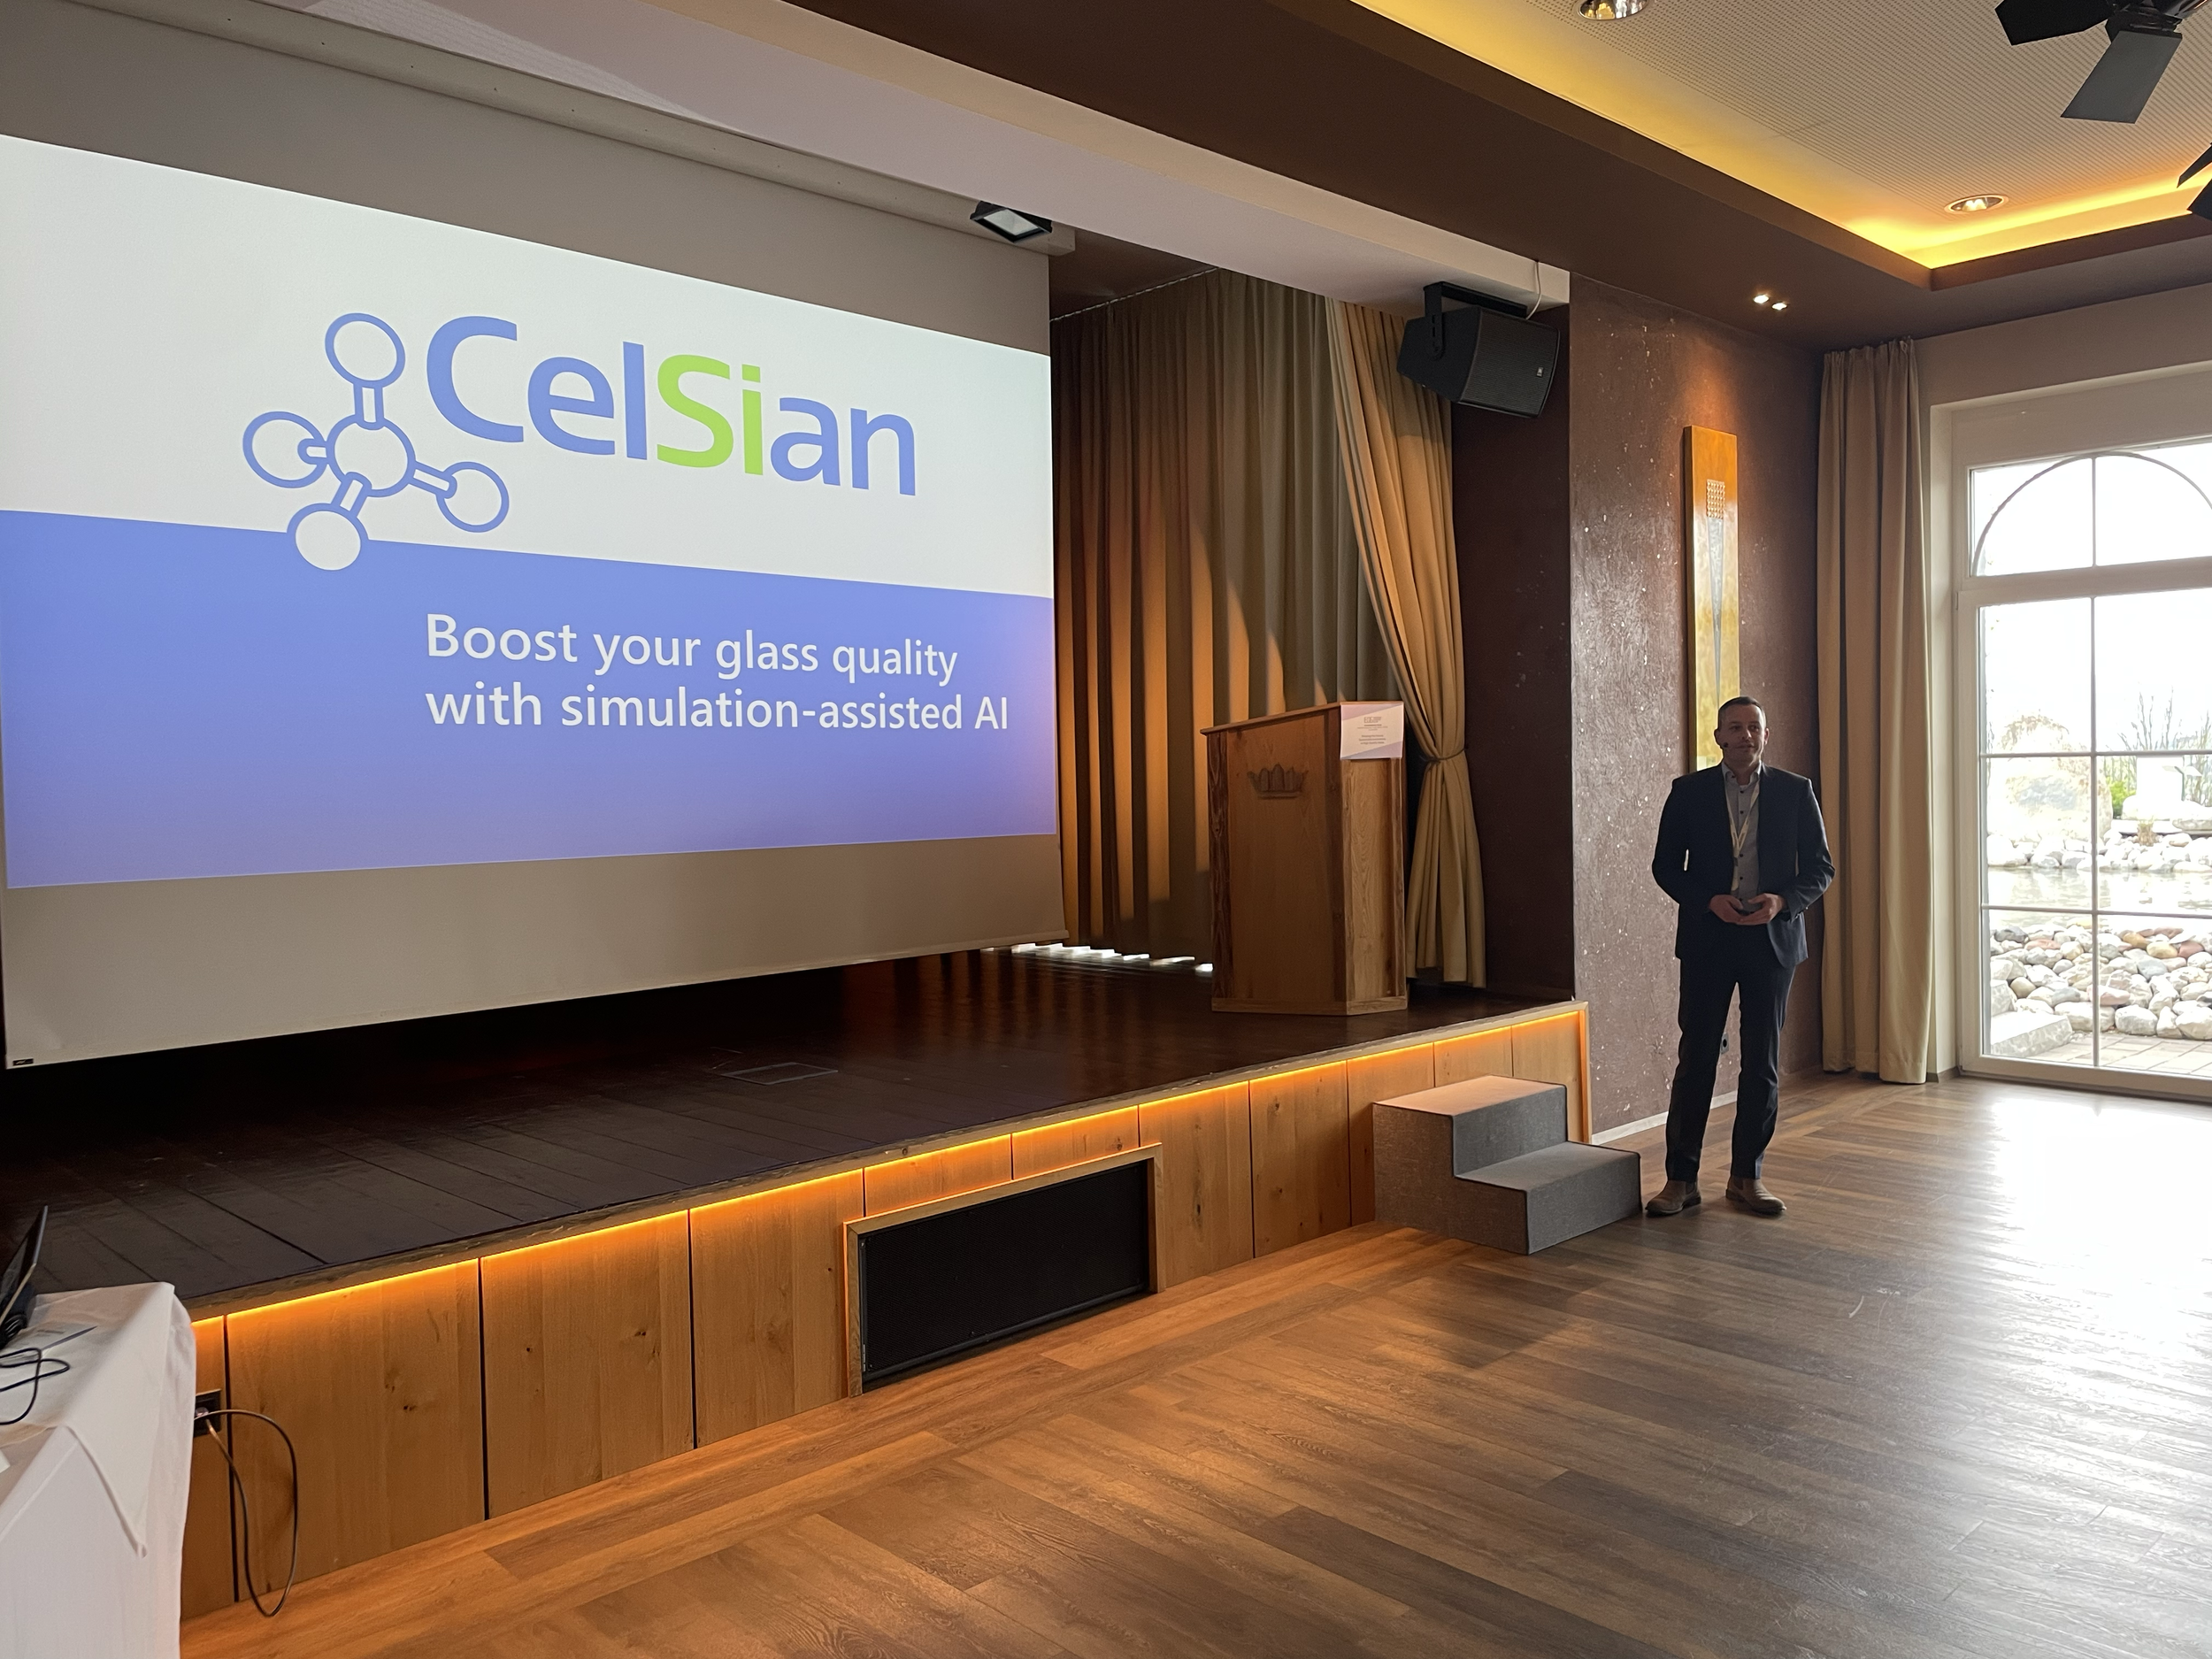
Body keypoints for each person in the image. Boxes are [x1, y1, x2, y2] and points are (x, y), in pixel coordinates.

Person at [1646, 695, 1832, 1218]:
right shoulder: (1688, 793)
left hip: (1771, 942)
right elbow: (1664, 867)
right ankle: (1680, 1180)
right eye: (1736, 727)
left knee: (1762, 1064)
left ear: (1765, 736)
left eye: (1755, 727)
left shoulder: (1797, 793)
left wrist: (1782, 902)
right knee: (1697, 1058)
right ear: (1718, 736)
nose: (1745, 735)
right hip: (1709, 939)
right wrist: (1708, 900)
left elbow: (1820, 868)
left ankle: (1747, 1177)